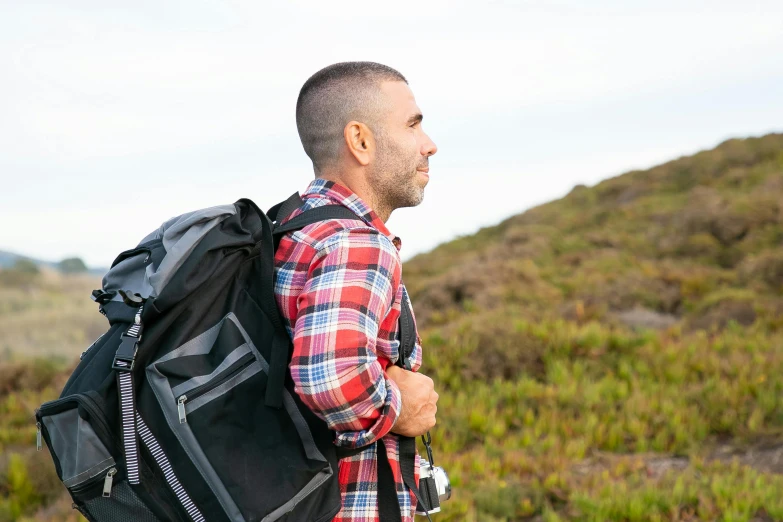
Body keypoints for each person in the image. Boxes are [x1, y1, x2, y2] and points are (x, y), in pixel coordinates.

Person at [273, 61, 440, 521]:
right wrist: (402, 406)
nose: (430, 145)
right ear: (360, 141)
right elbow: (332, 378)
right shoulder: (355, 241)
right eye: (413, 124)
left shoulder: (292, 227)